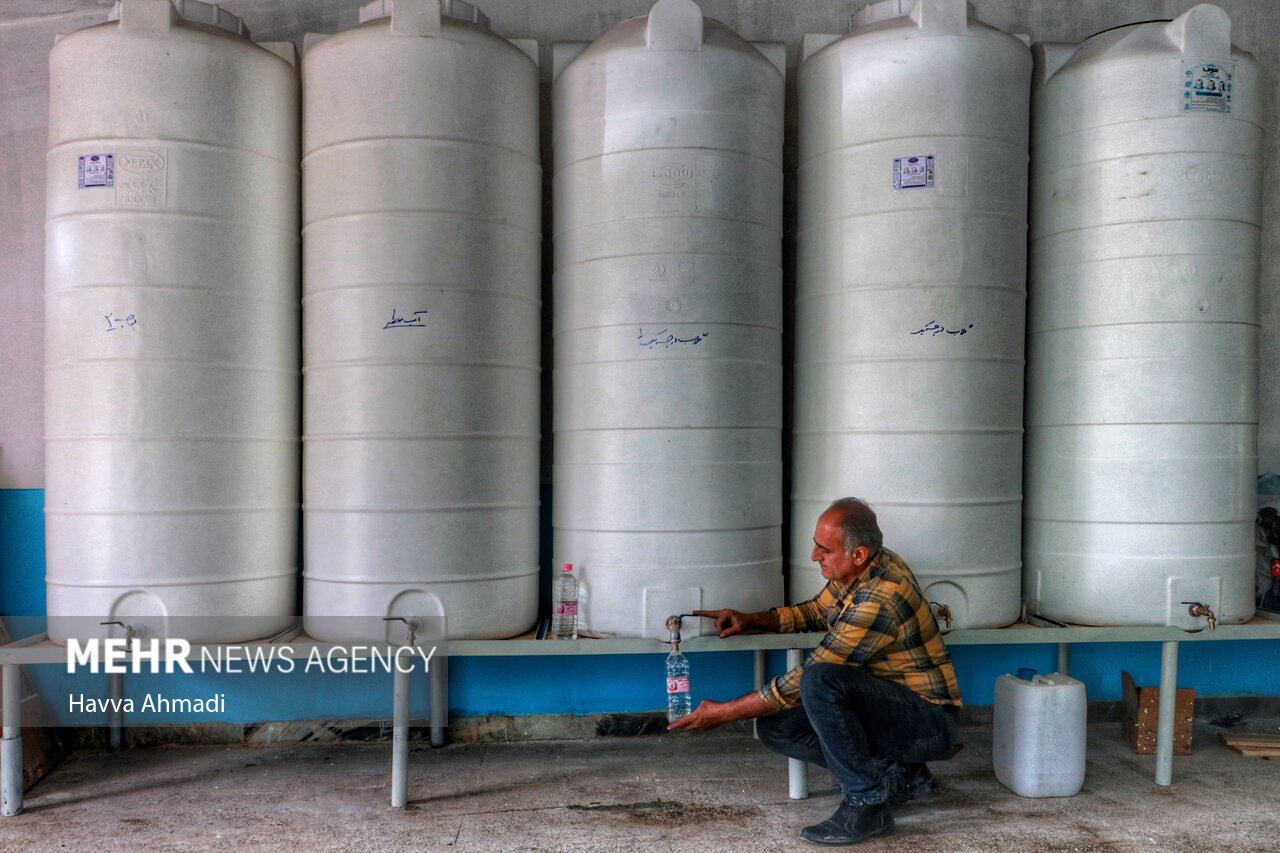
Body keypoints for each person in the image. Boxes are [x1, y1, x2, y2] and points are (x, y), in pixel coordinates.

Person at [668, 497, 962, 846]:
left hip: (928, 720)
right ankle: (898, 774)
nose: (813, 556)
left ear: (859, 554)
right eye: (815, 545)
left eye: (824, 549)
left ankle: (868, 804)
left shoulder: (880, 596)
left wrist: (725, 713)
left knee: (819, 680)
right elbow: (816, 611)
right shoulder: (861, 569)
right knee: (776, 726)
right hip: (889, 709)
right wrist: (753, 620)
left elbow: (808, 676)